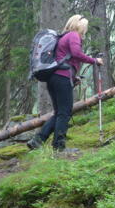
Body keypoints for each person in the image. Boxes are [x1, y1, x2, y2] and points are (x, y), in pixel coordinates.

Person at [28, 15, 102, 151]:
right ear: (78, 25)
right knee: (65, 112)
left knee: (59, 112)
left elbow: (64, 60)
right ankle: (59, 146)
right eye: (85, 26)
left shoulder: (63, 37)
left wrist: (74, 78)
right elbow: (76, 54)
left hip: (53, 78)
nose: (85, 29)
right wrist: (94, 61)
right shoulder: (74, 35)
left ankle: (38, 141)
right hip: (62, 78)